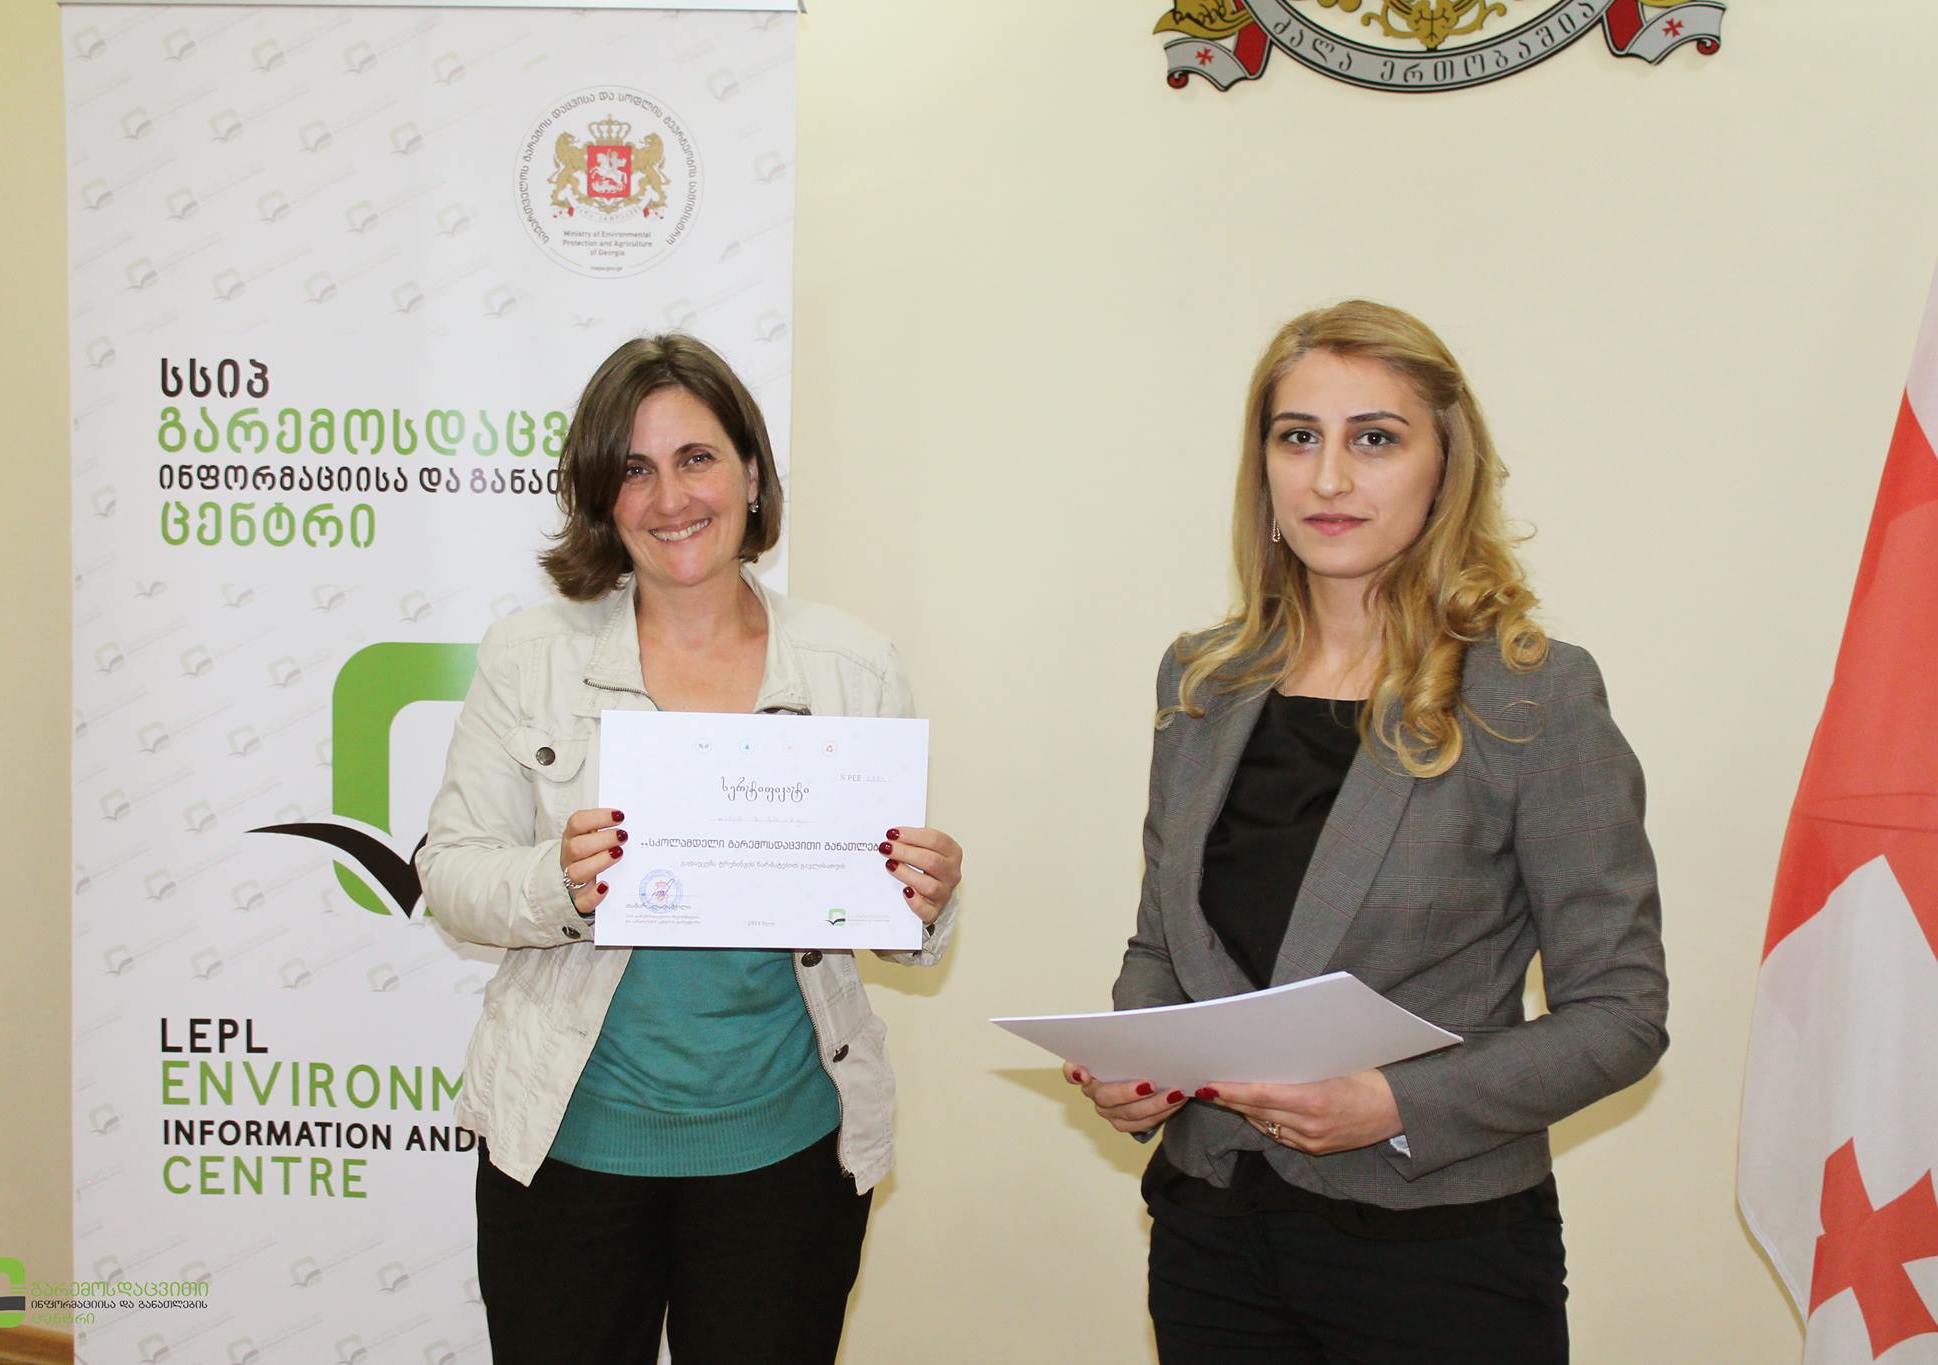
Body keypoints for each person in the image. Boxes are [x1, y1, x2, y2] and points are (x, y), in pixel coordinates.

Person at [1064, 300, 1668, 1362]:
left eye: (1374, 439)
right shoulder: (1202, 679)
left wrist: (1392, 1103)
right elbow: (1164, 941)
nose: (1329, 478)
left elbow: (1620, 1014)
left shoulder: (1532, 694)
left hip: (1438, 1253)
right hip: (1211, 1233)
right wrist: (1141, 1054)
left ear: (1445, 467)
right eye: (1298, 437)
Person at [417, 334, 964, 1365]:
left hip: (785, 1156)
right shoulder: (529, 658)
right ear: (601, 496)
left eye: (697, 459)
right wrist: (558, 880)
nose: (669, 497)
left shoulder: (851, 665)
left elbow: (888, 915)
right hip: (568, 1146)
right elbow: (449, 874)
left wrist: (923, 899)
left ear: (751, 475)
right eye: (634, 468)